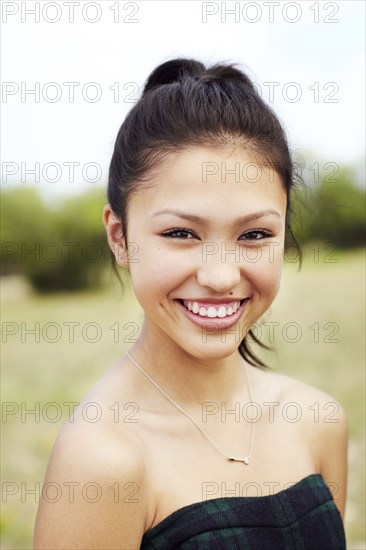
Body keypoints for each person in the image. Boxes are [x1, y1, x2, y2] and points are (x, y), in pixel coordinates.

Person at [34, 58, 348, 549]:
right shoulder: (104, 459)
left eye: (255, 234)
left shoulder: (317, 420)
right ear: (120, 236)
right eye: (181, 233)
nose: (221, 276)